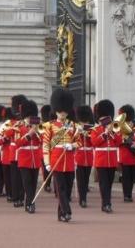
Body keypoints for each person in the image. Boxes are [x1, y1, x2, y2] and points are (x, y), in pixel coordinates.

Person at [42, 88, 77, 222]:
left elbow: (78, 142)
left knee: (67, 190)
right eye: (60, 110)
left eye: (64, 110)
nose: (63, 113)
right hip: (56, 160)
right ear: (56, 110)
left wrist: (71, 145)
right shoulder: (50, 126)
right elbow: (46, 145)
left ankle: (60, 214)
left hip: (68, 160)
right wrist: (47, 162)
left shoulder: (72, 125)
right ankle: (67, 211)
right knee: (61, 188)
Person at [91, 99, 122, 213]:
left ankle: (107, 203)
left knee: (109, 183)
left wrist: (112, 132)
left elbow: (119, 142)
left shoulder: (115, 129)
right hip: (101, 160)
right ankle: (106, 204)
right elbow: (94, 143)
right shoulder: (95, 130)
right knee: (103, 184)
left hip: (112, 160)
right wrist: (104, 133)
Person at [15, 100, 42, 213]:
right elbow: (17, 143)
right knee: (27, 182)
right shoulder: (18, 127)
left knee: (34, 183)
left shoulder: (39, 127)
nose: (29, 118)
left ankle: (29, 203)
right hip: (24, 159)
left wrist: (37, 132)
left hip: (35, 159)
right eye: (28, 116)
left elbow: (43, 141)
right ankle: (31, 204)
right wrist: (29, 134)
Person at [117, 105, 135, 203]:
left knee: (132, 177)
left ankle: (129, 193)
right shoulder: (120, 126)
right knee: (126, 176)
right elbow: (117, 139)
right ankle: (126, 195)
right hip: (125, 153)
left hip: (133, 154)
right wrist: (124, 139)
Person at [74, 105, 94, 208]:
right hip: (79, 157)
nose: (84, 123)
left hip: (89, 157)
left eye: (86, 121)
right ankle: (82, 199)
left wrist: (88, 135)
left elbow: (94, 142)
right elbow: (72, 140)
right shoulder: (75, 128)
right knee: (80, 180)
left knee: (86, 180)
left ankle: (84, 197)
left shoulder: (91, 129)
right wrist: (79, 133)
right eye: (83, 121)